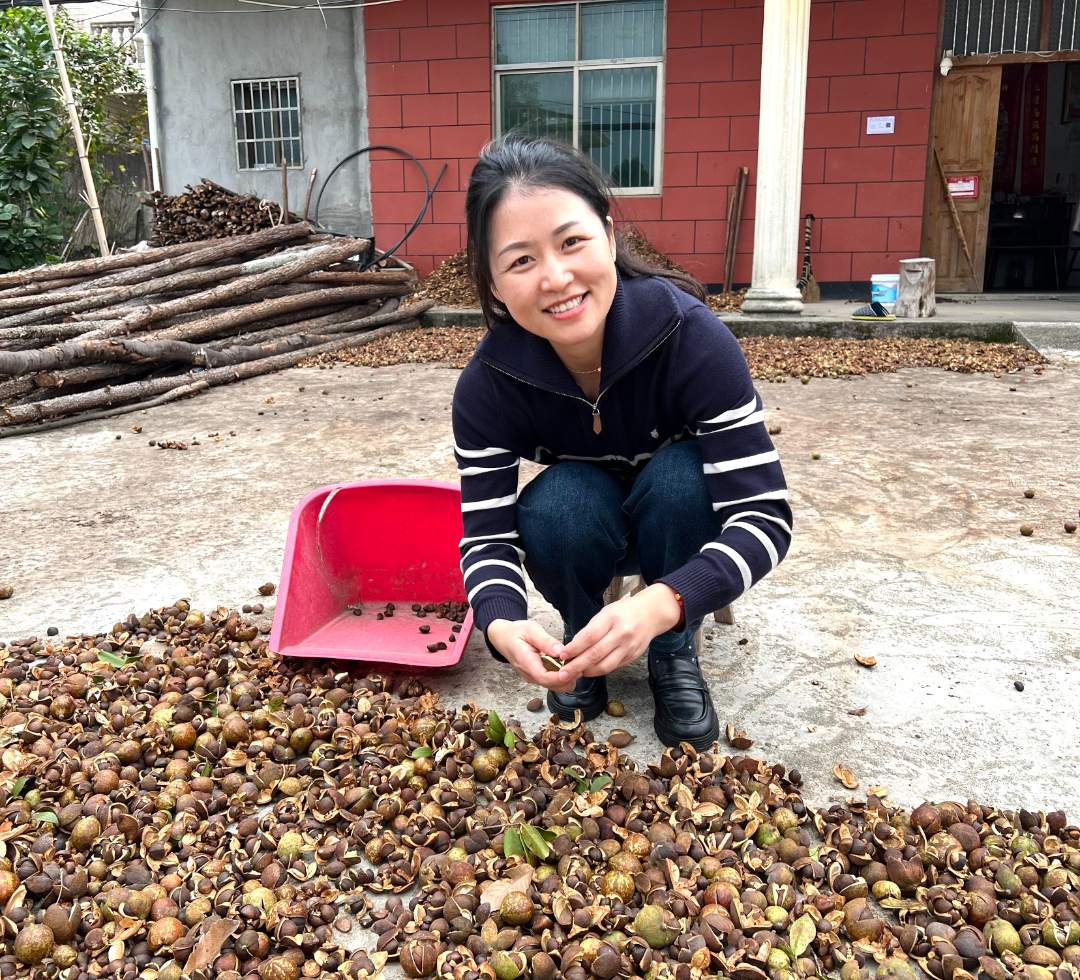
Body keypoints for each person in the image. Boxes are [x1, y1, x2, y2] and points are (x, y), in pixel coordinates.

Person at [452, 136, 792, 750]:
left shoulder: (691, 337)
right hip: (586, 527)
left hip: (681, 519)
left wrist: (667, 604)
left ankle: (671, 653)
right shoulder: (487, 387)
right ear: (494, 283)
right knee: (559, 499)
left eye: (571, 242)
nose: (556, 278)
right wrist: (500, 620)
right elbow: (486, 536)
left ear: (609, 237)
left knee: (685, 475)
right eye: (521, 260)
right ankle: (578, 640)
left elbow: (765, 517)